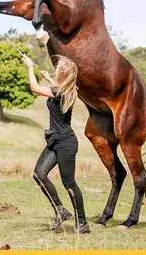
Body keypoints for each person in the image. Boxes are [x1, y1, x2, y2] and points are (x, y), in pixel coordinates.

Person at [23, 54, 90, 234]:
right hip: (55, 140)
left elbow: (34, 88)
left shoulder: (61, 92)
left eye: (58, 67)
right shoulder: (66, 90)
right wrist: (50, 79)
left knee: (69, 183)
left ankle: (82, 222)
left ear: (64, 73)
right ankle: (60, 210)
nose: (56, 68)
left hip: (66, 143)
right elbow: (57, 90)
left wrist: (30, 66)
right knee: (39, 174)